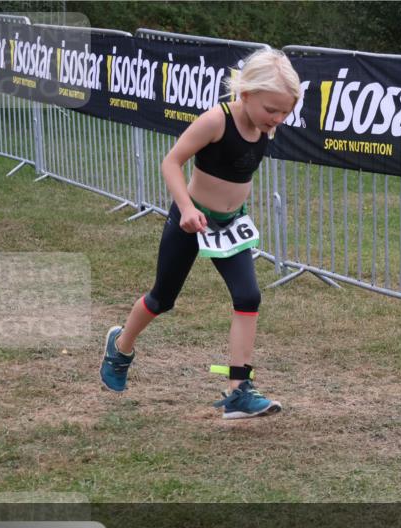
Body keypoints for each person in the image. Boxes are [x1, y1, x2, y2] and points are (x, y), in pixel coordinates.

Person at [100, 49, 301, 419]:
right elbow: (172, 162)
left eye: (285, 112)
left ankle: (238, 390)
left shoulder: (265, 126)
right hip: (190, 221)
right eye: (272, 110)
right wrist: (188, 210)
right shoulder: (215, 121)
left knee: (248, 296)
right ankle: (121, 347)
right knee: (162, 298)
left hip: (230, 227)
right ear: (246, 95)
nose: (278, 119)